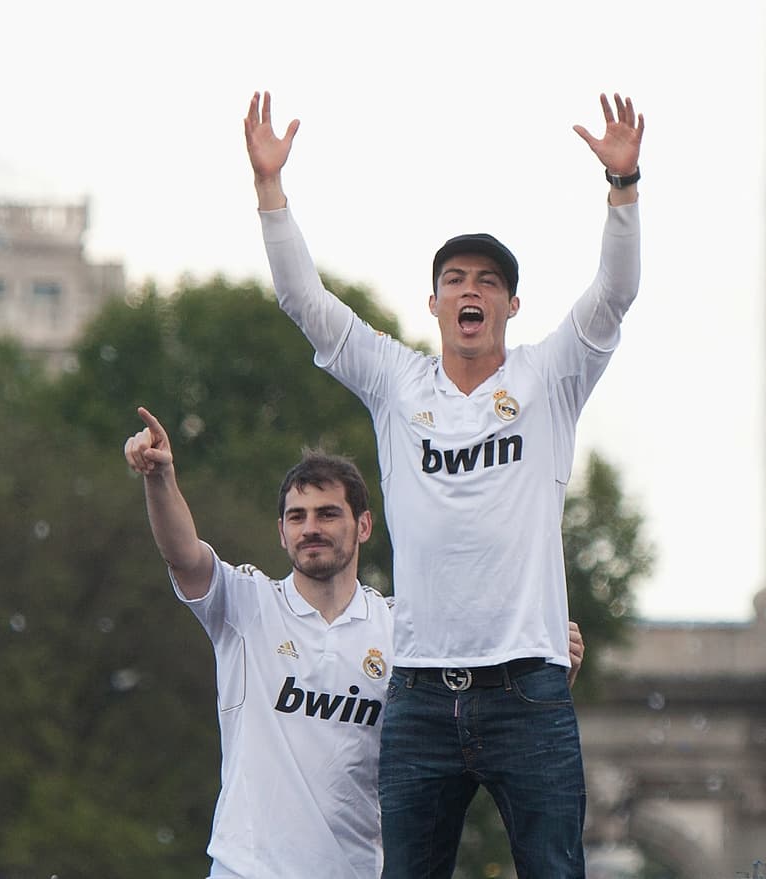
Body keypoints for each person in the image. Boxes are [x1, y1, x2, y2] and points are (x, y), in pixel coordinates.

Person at [243, 90, 643, 877]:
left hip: (529, 689)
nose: (471, 290)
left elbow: (615, 294)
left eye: (489, 281)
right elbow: (302, 301)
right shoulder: (397, 382)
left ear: (511, 304)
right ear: (434, 302)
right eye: (455, 278)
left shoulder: (549, 378)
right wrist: (270, 190)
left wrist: (623, 189)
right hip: (421, 695)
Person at [123, 406, 585, 878]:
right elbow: (183, 555)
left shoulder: (404, 627)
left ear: (363, 525)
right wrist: (160, 477)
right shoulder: (246, 604)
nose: (311, 529)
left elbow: (470, 718)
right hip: (246, 869)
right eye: (297, 517)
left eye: (328, 514)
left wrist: (540, 669)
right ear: (281, 532)